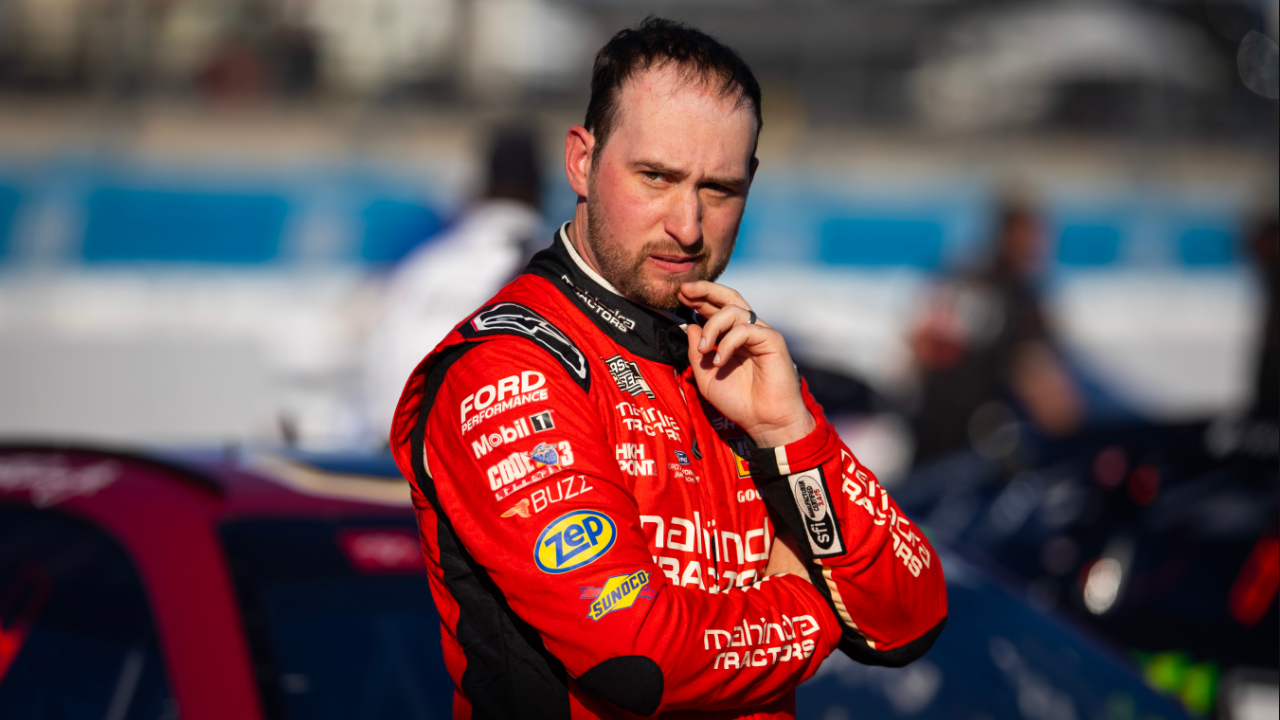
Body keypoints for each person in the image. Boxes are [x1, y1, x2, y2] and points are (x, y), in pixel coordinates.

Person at [389, 19, 947, 718]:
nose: (687, 224)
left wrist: (792, 433)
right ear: (581, 162)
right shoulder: (507, 369)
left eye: (719, 190)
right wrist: (816, 608)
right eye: (655, 177)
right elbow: (639, 660)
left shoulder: (735, 359)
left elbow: (913, 609)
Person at [364, 125, 544, 441]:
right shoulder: (551, 270)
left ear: (482, 187)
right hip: (489, 461)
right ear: (540, 189)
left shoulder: (422, 266)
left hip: (390, 450)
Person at [910, 201, 1083, 465]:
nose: (1038, 246)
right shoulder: (1014, 299)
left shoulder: (965, 277)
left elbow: (919, 344)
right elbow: (1044, 389)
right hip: (971, 440)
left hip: (935, 433)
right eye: (1031, 237)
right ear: (1007, 236)